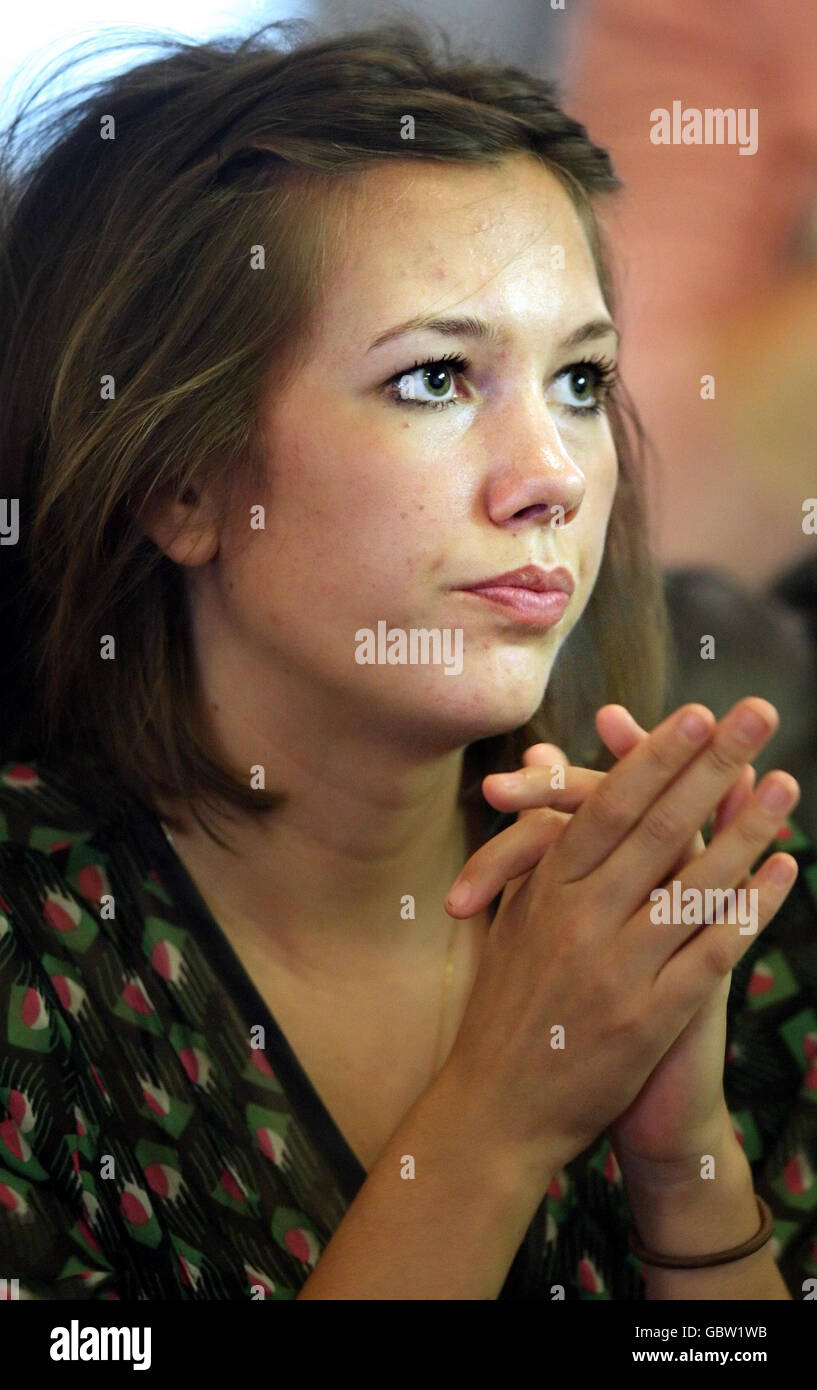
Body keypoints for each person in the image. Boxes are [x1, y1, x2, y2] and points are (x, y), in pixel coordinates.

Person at [0, 20, 815, 1302]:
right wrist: (497, 1119)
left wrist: (685, 1167)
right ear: (177, 483)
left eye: (584, 381)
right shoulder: (34, 961)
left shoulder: (729, 919)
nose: (551, 476)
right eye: (435, 378)